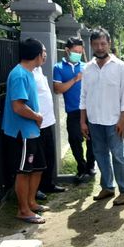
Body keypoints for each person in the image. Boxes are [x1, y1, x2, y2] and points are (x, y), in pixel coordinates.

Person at [80, 28, 124, 206]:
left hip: (114, 121)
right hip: (94, 121)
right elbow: (84, 96)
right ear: (91, 45)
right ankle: (107, 187)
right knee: (100, 155)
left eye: (103, 43)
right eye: (96, 44)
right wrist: (83, 120)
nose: (100, 47)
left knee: (119, 156)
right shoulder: (88, 68)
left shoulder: (120, 67)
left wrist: (123, 120)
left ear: (109, 44)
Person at [2, 38, 50, 224]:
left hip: (32, 132)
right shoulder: (19, 74)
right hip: (22, 132)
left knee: (36, 168)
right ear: (37, 55)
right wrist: (37, 117)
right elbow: (18, 106)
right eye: (43, 52)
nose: (44, 55)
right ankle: (23, 210)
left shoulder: (30, 73)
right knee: (23, 171)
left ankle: (31, 202)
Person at [53, 37, 95, 183]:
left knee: (92, 140)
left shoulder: (88, 66)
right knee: (75, 139)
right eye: (74, 51)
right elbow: (58, 89)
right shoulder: (58, 68)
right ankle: (81, 166)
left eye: (80, 51)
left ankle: (90, 166)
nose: (77, 53)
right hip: (73, 111)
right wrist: (75, 79)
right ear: (67, 50)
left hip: (90, 110)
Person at [32, 46, 65, 200]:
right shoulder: (28, 73)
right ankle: (36, 189)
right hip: (37, 124)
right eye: (43, 52)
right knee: (38, 160)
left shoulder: (38, 70)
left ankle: (48, 184)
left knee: (49, 156)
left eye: (45, 52)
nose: (45, 55)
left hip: (48, 121)